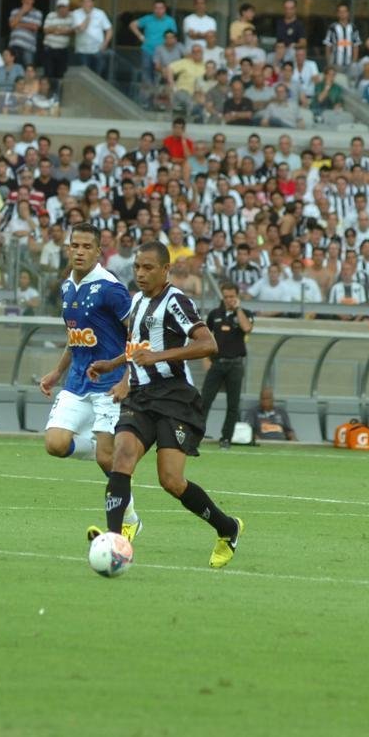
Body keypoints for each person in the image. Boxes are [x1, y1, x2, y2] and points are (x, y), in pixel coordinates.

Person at [85, 242, 244, 568]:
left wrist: (159, 356)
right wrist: (114, 365)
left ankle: (227, 527)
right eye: (137, 268)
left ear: (165, 270)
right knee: (121, 457)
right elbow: (138, 347)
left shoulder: (176, 302)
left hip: (174, 398)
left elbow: (207, 343)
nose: (141, 274)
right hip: (140, 398)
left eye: (148, 268)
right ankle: (115, 540)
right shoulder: (138, 301)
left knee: (171, 481)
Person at [38, 223, 141, 541]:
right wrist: (57, 372)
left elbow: (136, 335)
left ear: (98, 251)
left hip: (109, 384)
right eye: (75, 246)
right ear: (68, 249)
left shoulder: (111, 287)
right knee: (55, 444)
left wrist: (127, 378)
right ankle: (101, 447)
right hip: (77, 381)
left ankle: (130, 520)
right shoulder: (67, 287)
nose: (79, 252)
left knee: (105, 460)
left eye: (86, 247)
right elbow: (76, 337)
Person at [201, 282, 253, 449]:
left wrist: (238, 310)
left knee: (233, 404)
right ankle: (196, 437)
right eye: (226, 297)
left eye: (232, 296)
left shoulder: (245, 313)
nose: (229, 300)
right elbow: (205, 337)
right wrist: (205, 359)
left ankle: (226, 438)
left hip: (235, 364)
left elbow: (247, 328)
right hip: (217, 363)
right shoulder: (215, 314)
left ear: (237, 297)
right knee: (204, 401)